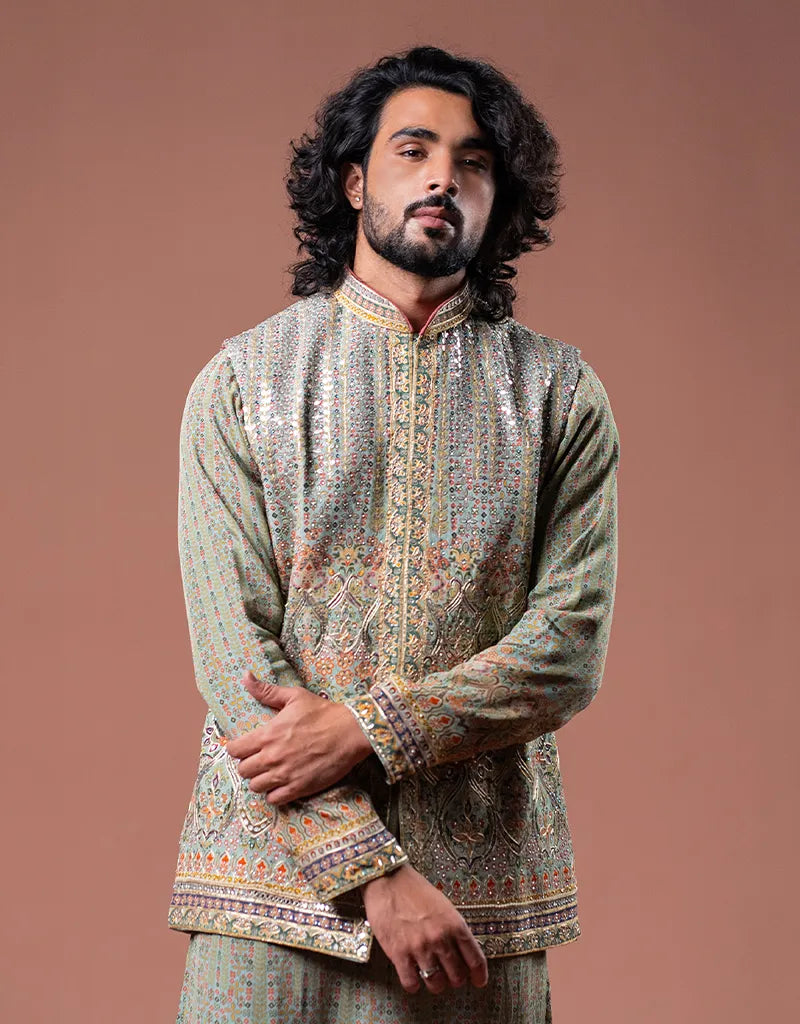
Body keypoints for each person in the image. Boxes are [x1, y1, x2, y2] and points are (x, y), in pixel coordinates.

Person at [169, 44, 620, 1024]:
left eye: (471, 161)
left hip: (475, 920)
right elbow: (232, 662)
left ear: (498, 199)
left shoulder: (556, 397)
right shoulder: (243, 384)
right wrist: (374, 875)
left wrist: (368, 726)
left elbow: (565, 653)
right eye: (412, 148)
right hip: (269, 905)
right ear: (353, 178)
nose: (440, 176)